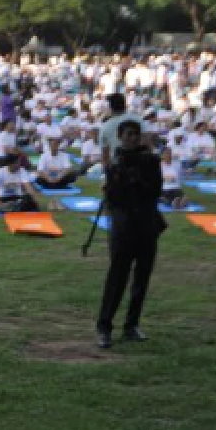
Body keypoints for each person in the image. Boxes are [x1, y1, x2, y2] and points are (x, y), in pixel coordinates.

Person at [96, 120, 164, 349]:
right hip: (123, 228)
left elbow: (155, 191)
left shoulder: (151, 161)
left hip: (146, 225)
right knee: (117, 278)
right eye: (128, 135)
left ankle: (131, 325)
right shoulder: (114, 163)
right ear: (120, 136)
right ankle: (104, 326)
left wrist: (134, 180)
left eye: (136, 135)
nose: (133, 139)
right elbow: (114, 198)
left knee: (141, 279)